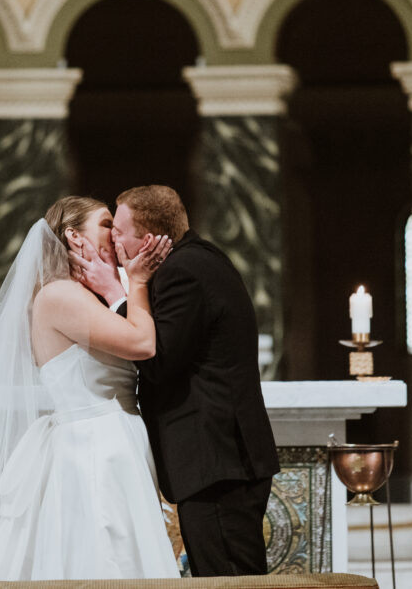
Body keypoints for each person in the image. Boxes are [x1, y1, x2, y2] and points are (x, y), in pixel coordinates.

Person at [0, 196, 177, 585]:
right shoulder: (59, 296)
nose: (114, 232)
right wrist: (137, 282)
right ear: (74, 235)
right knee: (103, 559)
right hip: (95, 446)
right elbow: (142, 344)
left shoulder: (86, 294)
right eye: (106, 223)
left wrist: (118, 285)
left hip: (114, 440)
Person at [74, 185, 280, 577]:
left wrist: (117, 292)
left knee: (229, 581)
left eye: (118, 231)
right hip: (222, 463)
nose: (113, 240)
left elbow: (156, 361)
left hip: (217, 462)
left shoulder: (182, 272)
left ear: (148, 239)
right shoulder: (200, 258)